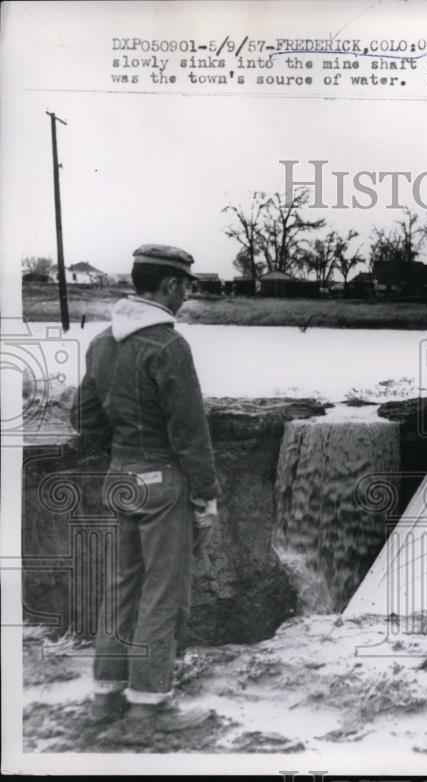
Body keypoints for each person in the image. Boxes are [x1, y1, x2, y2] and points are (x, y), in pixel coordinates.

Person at [73, 244, 219, 731]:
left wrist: (119, 452)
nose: (185, 296)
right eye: (185, 287)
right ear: (171, 286)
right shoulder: (168, 345)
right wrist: (205, 494)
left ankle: (105, 697)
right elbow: (190, 432)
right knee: (161, 593)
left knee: (120, 587)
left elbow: (84, 418)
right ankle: (148, 708)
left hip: (120, 477)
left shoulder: (102, 342)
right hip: (162, 483)